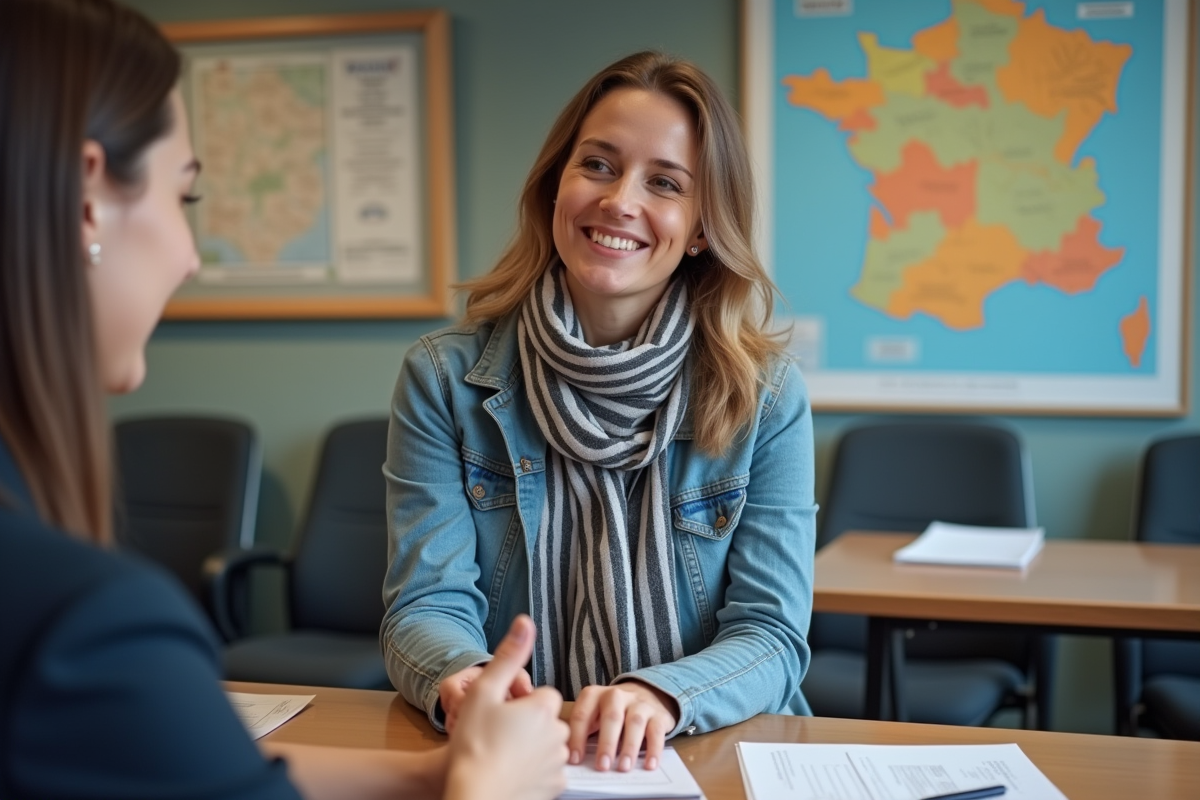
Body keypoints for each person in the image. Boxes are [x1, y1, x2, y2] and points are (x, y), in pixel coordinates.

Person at [0, 1, 568, 798]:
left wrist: (437, 774)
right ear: (88, 199)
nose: (191, 258)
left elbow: (188, 769)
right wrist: (492, 784)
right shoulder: (89, 623)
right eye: (184, 198)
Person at [382, 50, 818, 774]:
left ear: (702, 227)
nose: (619, 201)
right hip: (519, 756)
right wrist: (462, 678)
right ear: (556, 184)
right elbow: (424, 606)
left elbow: (772, 633)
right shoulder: (443, 378)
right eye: (598, 165)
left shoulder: (765, 394)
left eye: (665, 183)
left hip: (709, 751)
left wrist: (660, 696)